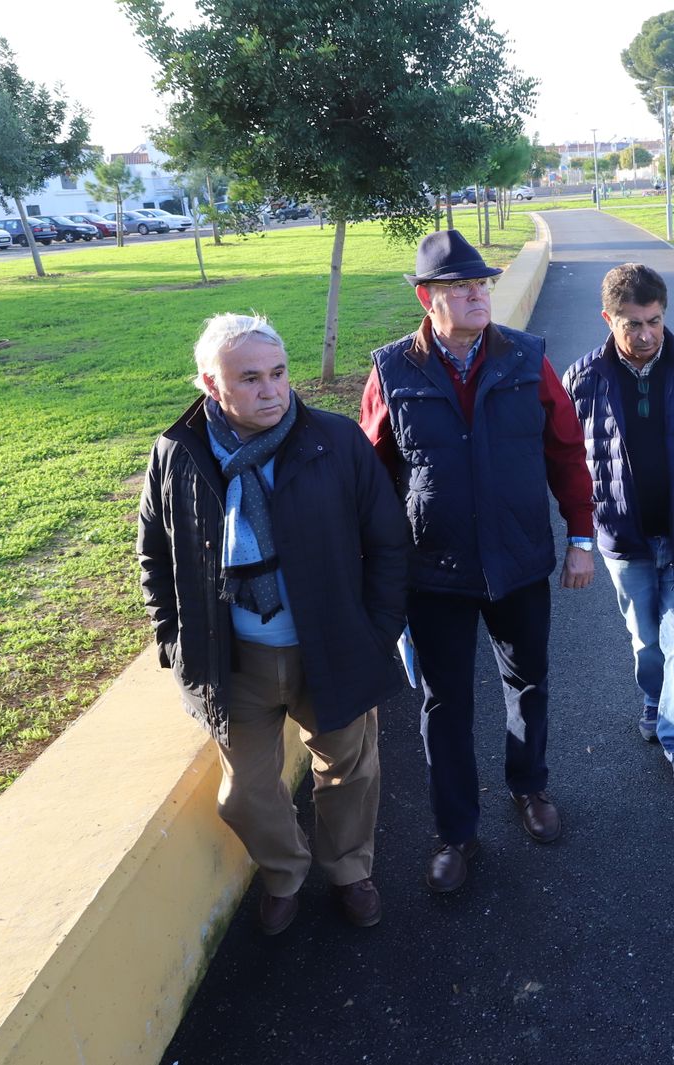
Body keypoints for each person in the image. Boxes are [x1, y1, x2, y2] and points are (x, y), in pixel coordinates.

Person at [137, 313, 408, 935]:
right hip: (235, 657)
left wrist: (377, 630)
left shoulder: (335, 443)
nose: (272, 390)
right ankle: (285, 869)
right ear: (212, 385)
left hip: (331, 647)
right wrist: (173, 638)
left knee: (348, 769)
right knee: (244, 794)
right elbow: (155, 552)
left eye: (279, 373)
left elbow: (389, 544)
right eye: (251, 378)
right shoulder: (178, 453)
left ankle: (349, 871)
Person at [360, 229, 595, 895]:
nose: (477, 294)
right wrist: (376, 568)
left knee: (528, 682)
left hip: (517, 560)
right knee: (445, 703)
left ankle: (530, 788)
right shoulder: (391, 370)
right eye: (460, 287)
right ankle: (455, 831)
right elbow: (371, 474)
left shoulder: (526, 357)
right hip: (432, 570)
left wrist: (581, 537)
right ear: (426, 298)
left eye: (483, 283)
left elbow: (566, 451)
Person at [562, 263, 674, 790]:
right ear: (608, 319)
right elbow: (568, 460)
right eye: (632, 323)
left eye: (655, 321)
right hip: (624, 538)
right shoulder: (584, 378)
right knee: (645, 641)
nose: (645, 335)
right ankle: (653, 697)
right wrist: (586, 524)